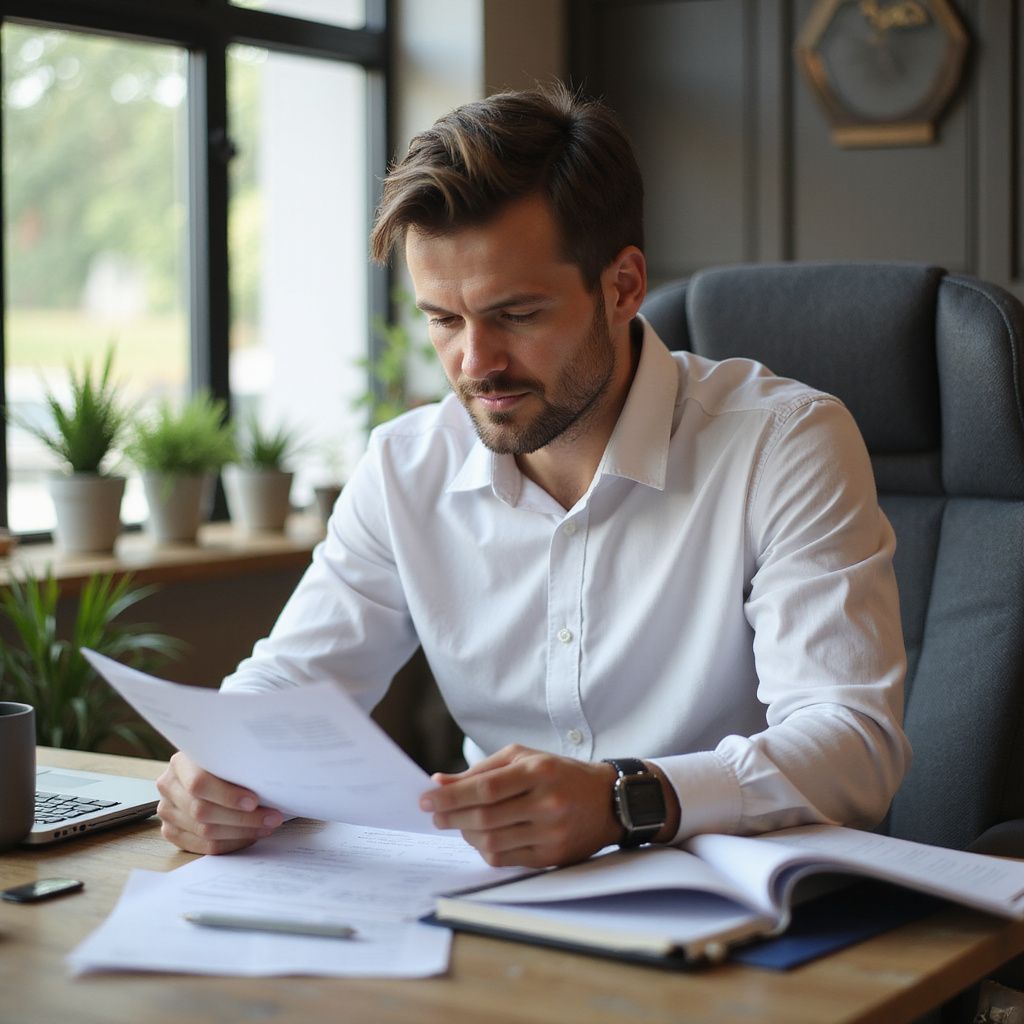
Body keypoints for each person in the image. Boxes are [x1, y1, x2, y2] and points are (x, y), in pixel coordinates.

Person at [156, 85, 910, 867]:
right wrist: (217, 767)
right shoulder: (404, 466)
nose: (474, 365)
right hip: (498, 910)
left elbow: (854, 745)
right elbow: (294, 678)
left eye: (514, 315)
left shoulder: (784, 444)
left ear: (621, 286)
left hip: (744, 915)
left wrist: (626, 799)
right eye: (443, 321)